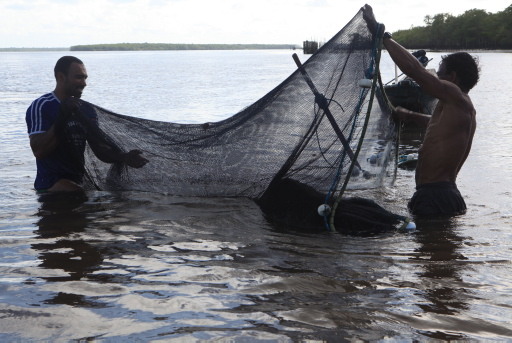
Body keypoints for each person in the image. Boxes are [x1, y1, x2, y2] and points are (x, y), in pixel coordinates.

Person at [362, 5, 480, 216]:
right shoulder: (462, 108)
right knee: (434, 247)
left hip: (435, 196)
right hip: (444, 193)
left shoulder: (453, 93)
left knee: (426, 247)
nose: (435, 79)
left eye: (440, 75)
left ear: (452, 78)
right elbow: (440, 127)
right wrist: (410, 116)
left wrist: (382, 34)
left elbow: (415, 71)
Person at [26, 56, 148, 193]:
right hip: (50, 184)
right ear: (61, 77)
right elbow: (39, 151)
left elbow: (100, 149)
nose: (84, 83)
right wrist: (63, 116)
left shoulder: (86, 110)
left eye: (85, 78)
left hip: (77, 180)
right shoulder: (43, 105)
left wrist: (124, 157)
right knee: (81, 196)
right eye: (79, 77)